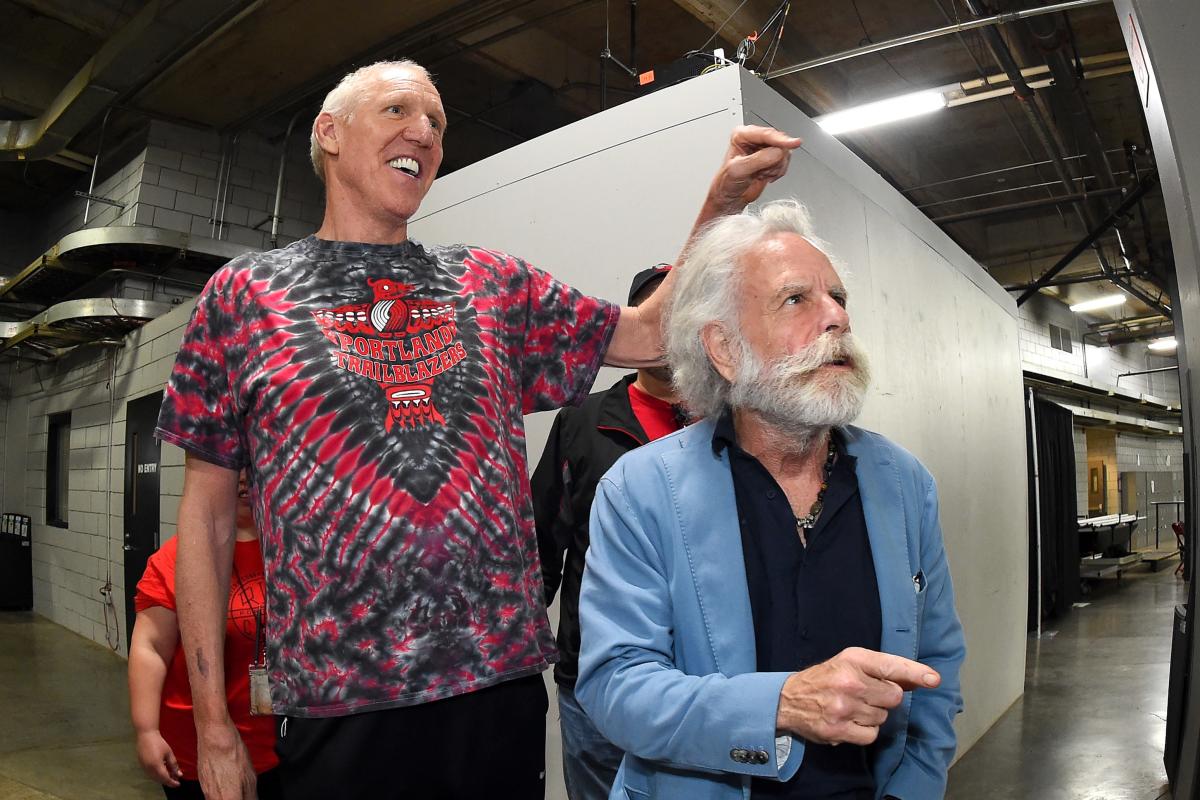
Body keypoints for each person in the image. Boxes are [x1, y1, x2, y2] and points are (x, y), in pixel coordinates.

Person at [154, 57, 801, 800]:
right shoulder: (244, 296)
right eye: (399, 111)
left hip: (496, 685)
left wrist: (719, 203)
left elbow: (651, 335)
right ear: (329, 133)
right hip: (340, 701)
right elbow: (203, 520)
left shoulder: (489, 283)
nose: (424, 134)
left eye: (436, 123)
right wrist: (213, 726)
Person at [575, 199, 967, 800]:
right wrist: (781, 704)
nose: (835, 318)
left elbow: (936, 671)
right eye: (796, 300)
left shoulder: (905, 484)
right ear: (725, 350)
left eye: (838, 298)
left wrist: (912, 788)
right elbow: (616, 688)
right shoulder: (640, 491)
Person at [531, 265, 683, 799]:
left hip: (697, 684)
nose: (669, 332)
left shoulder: (731, 425)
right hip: (595, 681)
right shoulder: (582, 421)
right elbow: (541, 544)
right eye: (656, 316)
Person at [128, 474, 280, 800]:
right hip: (196, 753)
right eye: (233, 464)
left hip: (283, 747)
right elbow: (150, 647)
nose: (243, 477)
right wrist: (146, 730)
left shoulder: (294, 554)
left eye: (252, 461)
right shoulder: (177, 558)